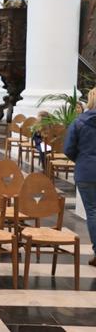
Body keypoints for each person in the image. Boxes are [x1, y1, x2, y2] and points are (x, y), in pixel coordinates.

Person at [65, 87, 96, 267]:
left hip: (86, 171)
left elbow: (69, 148)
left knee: (92, 212)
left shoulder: (79, 122)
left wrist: (82, 158)